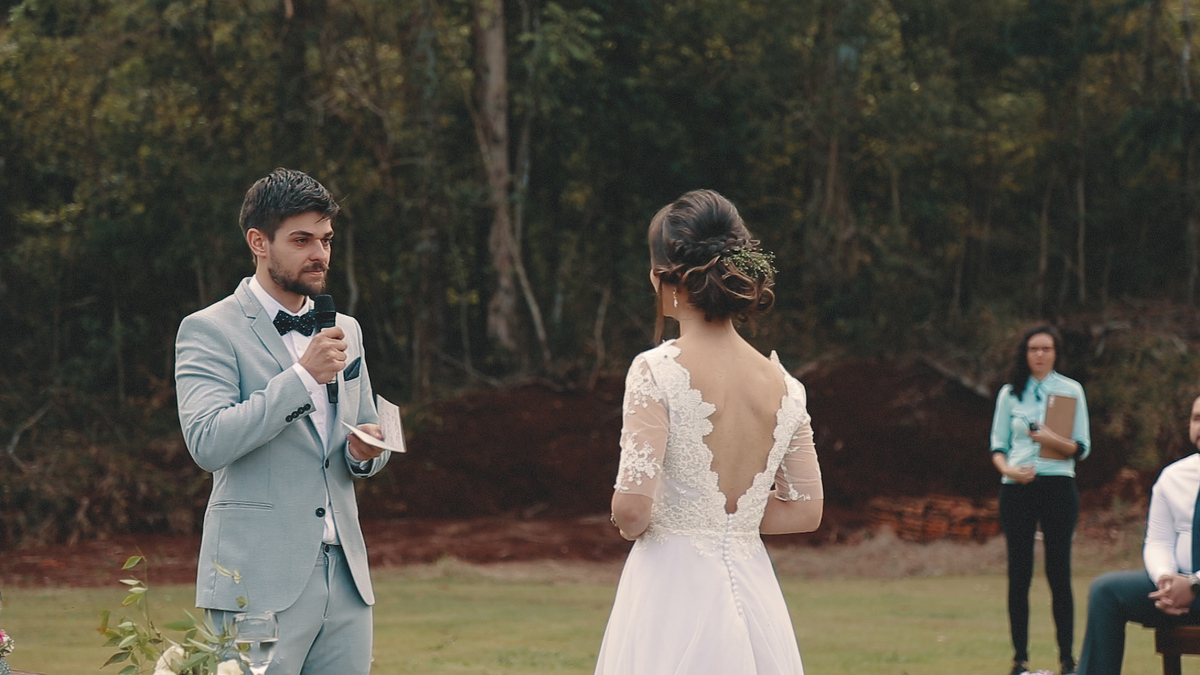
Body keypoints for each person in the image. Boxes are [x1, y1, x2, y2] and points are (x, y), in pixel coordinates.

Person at [594, 189, 824, 674]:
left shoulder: (656, 370)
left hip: (670, 588)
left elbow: (633, 509)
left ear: (666, 277)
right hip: (753, 586)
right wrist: (730, 525)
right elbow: (806, 511)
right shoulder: (786, 386)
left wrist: (684, 521)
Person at [174, 168, 391, 675]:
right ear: (258, 242)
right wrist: (300, 377)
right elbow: (207, 442)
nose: (320, 253)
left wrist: (363, 456)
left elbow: (356, 435)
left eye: (326, 239)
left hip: (347, 581)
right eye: (301, 240)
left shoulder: (346, 329)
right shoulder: (208, 329)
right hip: (257, 578)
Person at [990, 325, 1091, 675]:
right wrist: (1010, 471)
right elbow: (997, 446)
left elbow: (1080, 447)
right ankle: (1020, 659)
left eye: (1046, 349)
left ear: (1055, 353)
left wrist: (1050, 437)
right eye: (1033, 349)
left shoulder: (1071, 390)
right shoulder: (1010, 394)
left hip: (1058, 485)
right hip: (1017, 487)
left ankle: (1067, 658)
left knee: (1058, 572)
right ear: (1025, 353)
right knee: (1019, 574)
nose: (1040, 355)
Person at [1077, 395, 1200, 674]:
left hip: (1194, 587)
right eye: (1196, 418)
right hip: (1177, 591)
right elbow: (1158, 541)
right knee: (1106, 591)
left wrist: (1193, 585)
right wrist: (1165, 580)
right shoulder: (1173, 478)